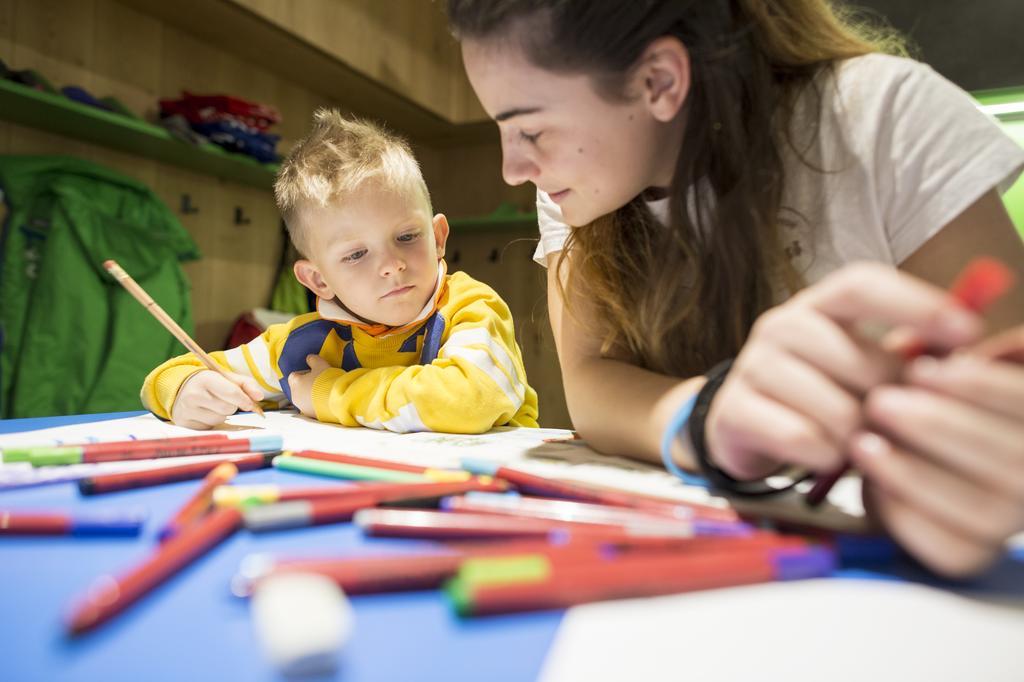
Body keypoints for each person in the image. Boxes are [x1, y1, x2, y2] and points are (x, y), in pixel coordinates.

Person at [448, 0, 1024, 577]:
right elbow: (591, 379)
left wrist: (965, 475)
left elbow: (1007, 401)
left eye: (529, 129)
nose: (512, 169)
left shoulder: (883, 117)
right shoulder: (576, 187)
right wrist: (705, 419)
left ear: (659, 81)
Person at [141, 109, 539, 434]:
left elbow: (470, 399)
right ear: (318, 280)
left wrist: (328, 393)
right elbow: (175, 373)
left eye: (406, 236)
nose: (390, 265)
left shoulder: (471, 308)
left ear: (438, 237)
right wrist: (185, 391)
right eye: (355, 255)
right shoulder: (306, 343)